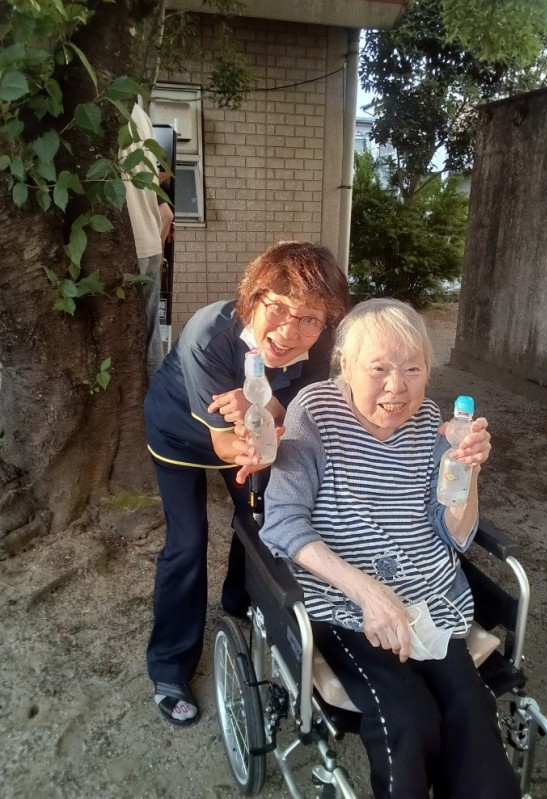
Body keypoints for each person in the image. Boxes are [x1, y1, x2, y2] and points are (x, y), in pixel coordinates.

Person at [259, 298, 522, 799]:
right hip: (346, 603)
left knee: (471, 712)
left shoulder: (431, 422)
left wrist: (466, 472)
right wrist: (367, 593)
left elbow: (455, 533)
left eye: (413, 369)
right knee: (408, 719)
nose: (397, 387)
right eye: (378, 368)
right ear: (346, 365)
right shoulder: (314, 412)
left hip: (429, 599)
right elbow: (283, 522)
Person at [144, 241, 350, 726]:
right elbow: (225, 445)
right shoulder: (209, 333)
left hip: (254, 432)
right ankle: (170, 668)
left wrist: (262, 411)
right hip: (180, 432)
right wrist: (262, 432)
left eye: (309, 318)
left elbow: (291, 403)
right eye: (278, 308)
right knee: (187, 542)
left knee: (260, 520)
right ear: (253, 297)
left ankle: (240, 600)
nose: (290, 331)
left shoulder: (319, 342)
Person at [120, 102, 165, 380]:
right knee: (149, 338)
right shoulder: (138, 113)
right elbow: (166, 212)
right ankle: (155, 402)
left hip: (119, 245)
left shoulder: (94, 102)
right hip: (148, 239)